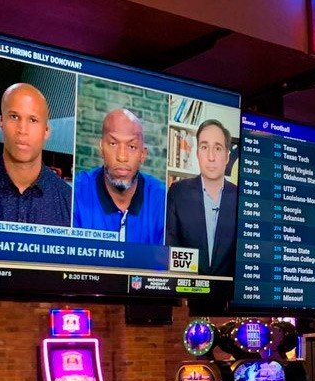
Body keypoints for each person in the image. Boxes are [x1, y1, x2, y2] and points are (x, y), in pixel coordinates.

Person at [0, 83, 72, 229]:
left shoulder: (68, 200)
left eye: (32, 120)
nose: (22, 130)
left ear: (46, 130)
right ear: (1, 122)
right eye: (14, 117)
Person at [72, 109, 166, 244]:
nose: (122, 157)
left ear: (143, 154)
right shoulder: (75, 192)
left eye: (132, 146)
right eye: (113, 144)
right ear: (101, 148)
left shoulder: (161, 199)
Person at [166, 119, 238, 276]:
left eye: (217, 148)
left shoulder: (241, 199)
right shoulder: (178, 192)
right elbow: (170, 251)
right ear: (197, 154)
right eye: (204, 147)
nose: (211, 157)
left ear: (227, 157)